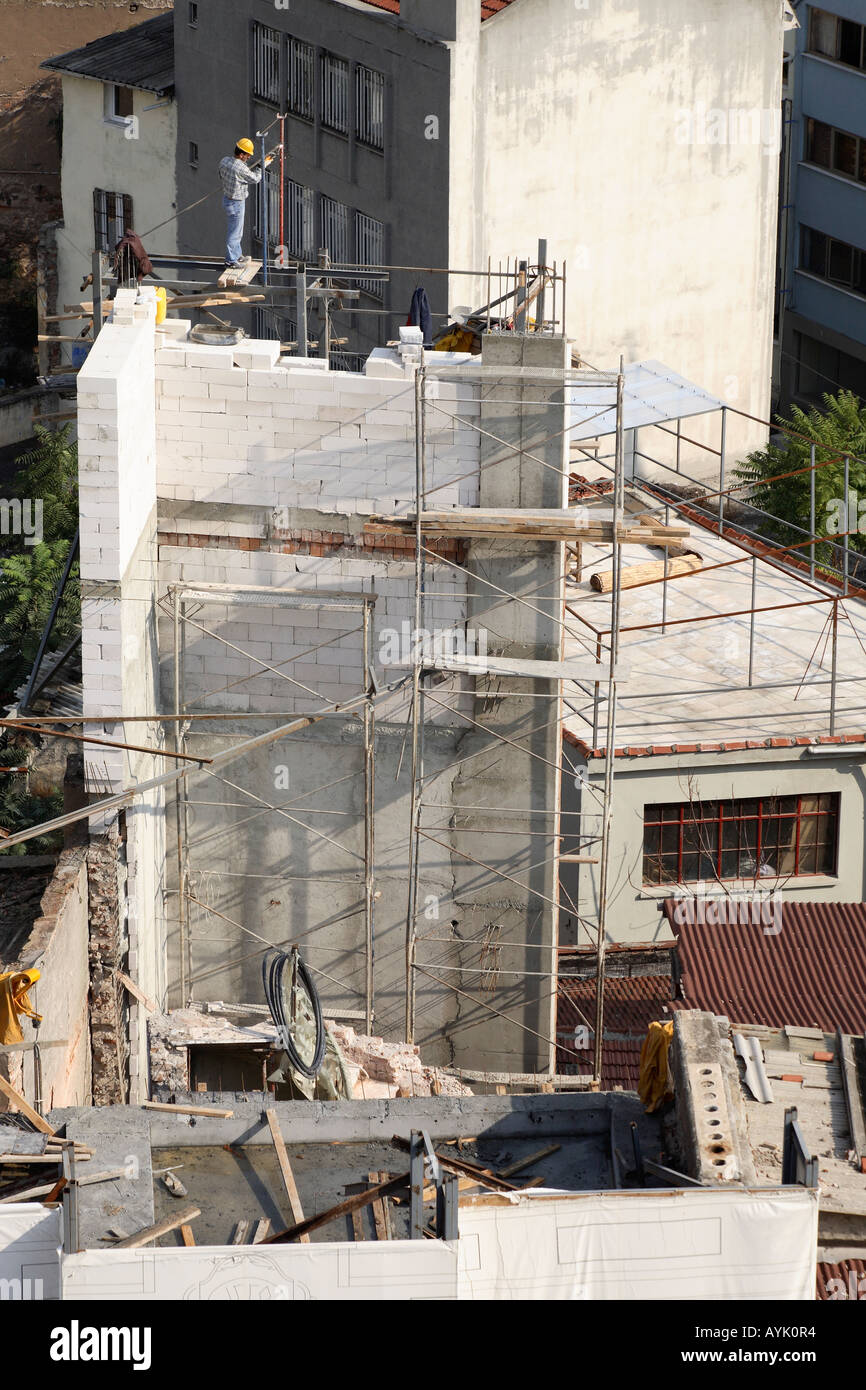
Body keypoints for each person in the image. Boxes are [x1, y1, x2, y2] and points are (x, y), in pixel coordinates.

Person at [219, 137, 272, 269]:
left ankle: (237, 255)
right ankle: (231, 260)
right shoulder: (240, 168)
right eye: (247, 155)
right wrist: (261, 167)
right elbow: (255, 179)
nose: (248, 158)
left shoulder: (224, 161)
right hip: (236, 202)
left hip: (227, 200)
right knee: (235, 232)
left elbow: (222, 174)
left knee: (237, 230)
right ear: (241, 154)